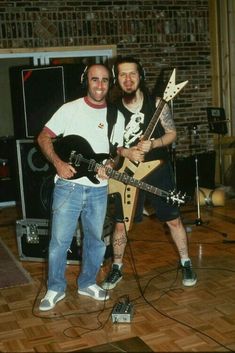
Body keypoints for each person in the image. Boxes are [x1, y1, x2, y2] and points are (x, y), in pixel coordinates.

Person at [102, 56, 197, 290]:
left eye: (132, 73)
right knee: (120, 225)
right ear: (117, 79)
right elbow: (108, 144)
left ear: (140, 76)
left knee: (173, 219)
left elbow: (172, 133)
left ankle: (186, 262)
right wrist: (126, 152)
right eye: (122, 74)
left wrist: (153, 144)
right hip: (127, 175)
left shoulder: (156, 104)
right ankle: (117, 268)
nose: (127, 79)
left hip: (157, 170)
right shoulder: (111, 111)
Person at [37, 63, 125, 311]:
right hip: (69, 188)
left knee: (95, 241)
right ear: (86, 80)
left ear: (111, 83)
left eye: (105, 80)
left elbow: (115, 152)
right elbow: (43, 137)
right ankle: (55, 287)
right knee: (59, 242)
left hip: (98, 189)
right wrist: (58, 164)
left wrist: (110, 163)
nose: (100, 85)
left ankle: (87, 283)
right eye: (95, 79)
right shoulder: (70, 109)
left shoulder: (114, 115)